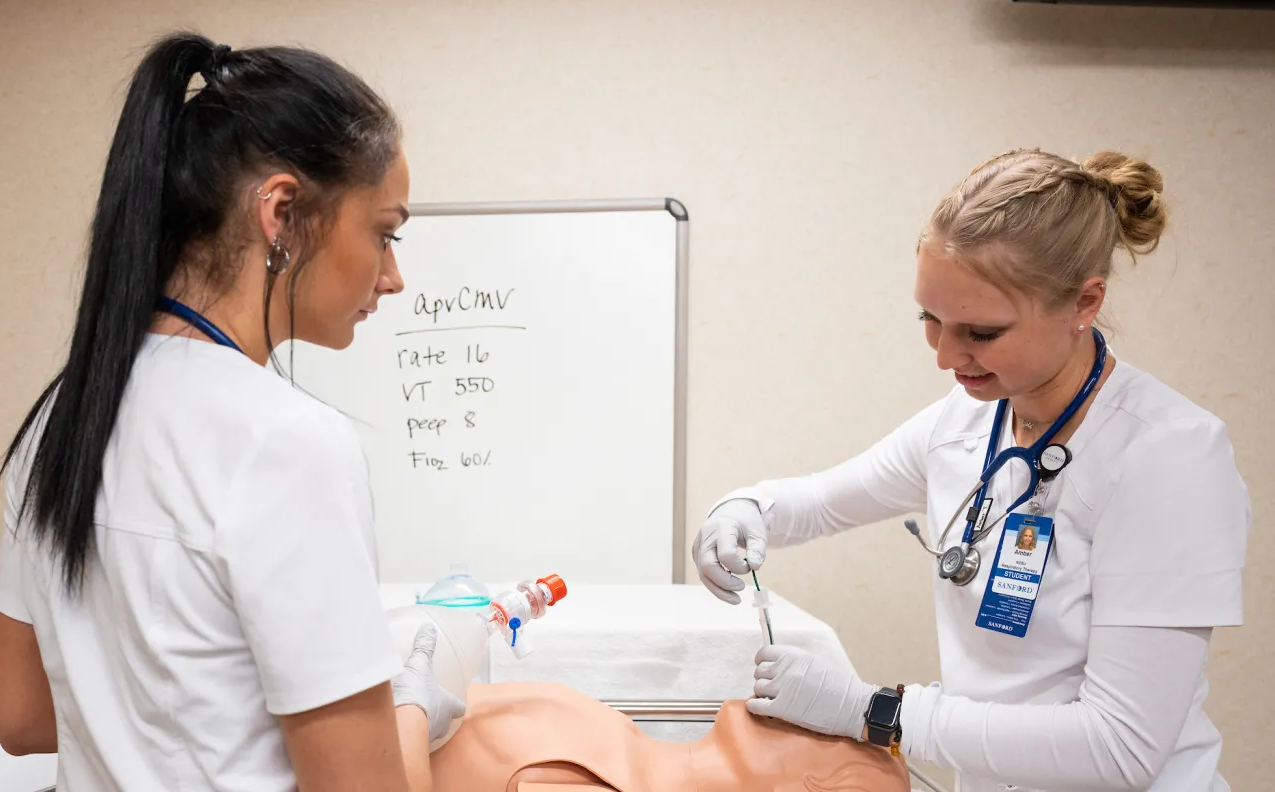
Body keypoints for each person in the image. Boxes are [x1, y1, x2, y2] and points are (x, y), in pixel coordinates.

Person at [0, 32, 461, 791]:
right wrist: (410, 706)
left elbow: (22, 716)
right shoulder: (287, 442)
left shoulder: (62, 419)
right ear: (283, 212)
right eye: (384, 233)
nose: (393, 275)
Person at [694, 148, 1249, 790]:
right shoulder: (968, 422)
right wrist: (746, 509)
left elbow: (1120, 748)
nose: (945, 355)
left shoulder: (1169, 458)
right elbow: (819, 502)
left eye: (981, 333)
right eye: (930, 320)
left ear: (1084, 303)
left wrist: (873, 712)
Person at [427, 681, 908, 791]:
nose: (806, 716)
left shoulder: (609, 782)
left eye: (830, 732)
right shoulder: (625, 739)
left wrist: (409, 719)